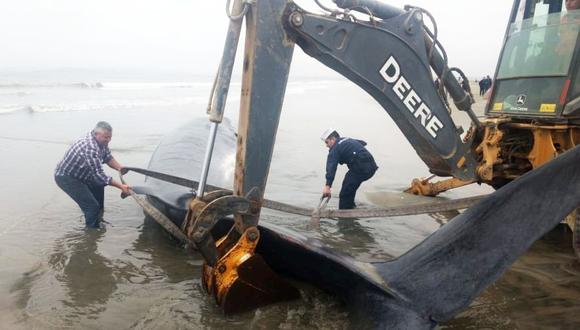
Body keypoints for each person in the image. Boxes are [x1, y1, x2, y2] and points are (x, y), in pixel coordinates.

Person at [55, 121, 130, 228]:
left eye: (110, 137)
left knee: (99, 188)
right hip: (67, 177)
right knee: (91, 206)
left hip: (84, 173)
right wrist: (121, 186)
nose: (108, 140)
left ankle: (98, 219)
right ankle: (91, 233)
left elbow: (107, 157)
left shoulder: (101, 142)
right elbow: (99, 175)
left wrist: (119, 168)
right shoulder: (90, 147)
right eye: (106, 137)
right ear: (96, 134)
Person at [321, 129, 378, 210]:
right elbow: (363, 142)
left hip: (361, 168)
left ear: (333, 139)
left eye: (327, 142)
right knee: (349, 186)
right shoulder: (347, 139)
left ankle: (344, 215)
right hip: (372, 166)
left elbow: (331, 167)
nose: (326, 145)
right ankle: (351, 207)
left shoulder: (335, 149)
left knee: (345, 193)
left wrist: (327, 186)